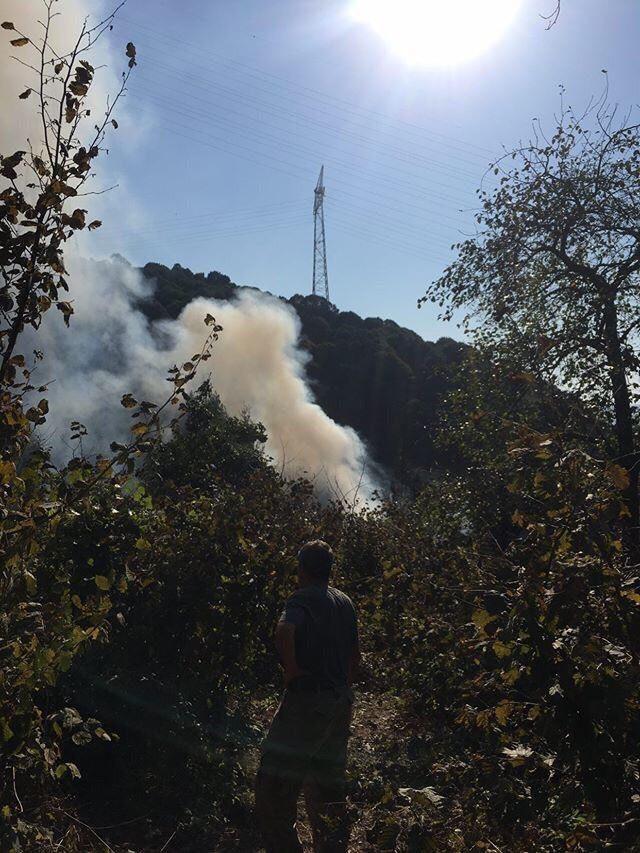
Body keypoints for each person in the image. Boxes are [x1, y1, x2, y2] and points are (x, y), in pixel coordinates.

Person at [255, 539, 360, 853]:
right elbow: (356, 656)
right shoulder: (344, 601)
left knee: (273, 789)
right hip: (339, 702)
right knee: (327, 787)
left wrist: (291, 670)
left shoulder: (300, 599)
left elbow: (285, 630)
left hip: (307, 702)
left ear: (302, 569)